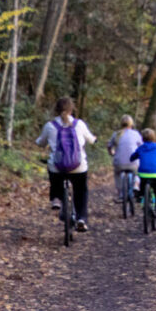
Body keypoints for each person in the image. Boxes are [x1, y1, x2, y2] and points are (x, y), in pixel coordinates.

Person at [35, 97, 96, 232]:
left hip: (57, 166)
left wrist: (38, 141)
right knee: (81, 190)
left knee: (54, 177)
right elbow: (91, 140)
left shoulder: (50, 125)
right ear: (71, 109)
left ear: (56, 110)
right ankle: (81, 218)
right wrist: (94, 139)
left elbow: (41, 142)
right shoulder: (79, 124)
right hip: (78, 166)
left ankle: (56, 199)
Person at [106, 115, 142, 201]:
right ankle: (136, 185)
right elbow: (141, 146)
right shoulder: (136, 134)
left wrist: (111, 153)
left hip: (119, 163)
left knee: (117, 173)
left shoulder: (116, 134)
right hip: (133, 163)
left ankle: (121, 193)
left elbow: (109, 146)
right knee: (138, 171)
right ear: (131, 124)